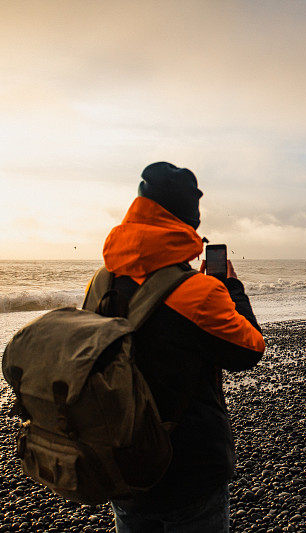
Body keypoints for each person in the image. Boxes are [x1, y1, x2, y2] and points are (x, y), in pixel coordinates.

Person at [97, 162, 265, 532]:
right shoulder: (196, 291)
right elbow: (249, 349)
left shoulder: (103, 281)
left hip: (120, 458)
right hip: (190, 468)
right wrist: (231, 288)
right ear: (189, 222)